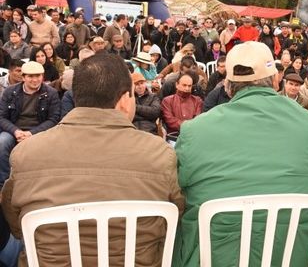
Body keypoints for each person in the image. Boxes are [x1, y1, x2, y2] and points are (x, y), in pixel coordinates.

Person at [1, 53, 184, 266]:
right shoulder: (160, 153)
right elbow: (175, 215)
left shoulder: (26, 153)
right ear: (125, 99)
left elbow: (16, 224)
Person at [173, 41, 308, 267]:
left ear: (227, 87)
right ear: (276, 81)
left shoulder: (195, 130)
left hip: (215, 256)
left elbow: (179, 191)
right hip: (295, 255)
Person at [0, 61, 60, 187]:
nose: (35, 80)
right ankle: (4, 184)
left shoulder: (51, 93)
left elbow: (53, 119)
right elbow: (2, 117)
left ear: (42, 77)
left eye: (38, 76)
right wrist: (16, 131)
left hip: (39, 130)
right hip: (14, 130)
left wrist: (31, 133)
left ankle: (39, 184)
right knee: (2, 142)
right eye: (30, 76)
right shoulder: (10, 92)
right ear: (23, 77)